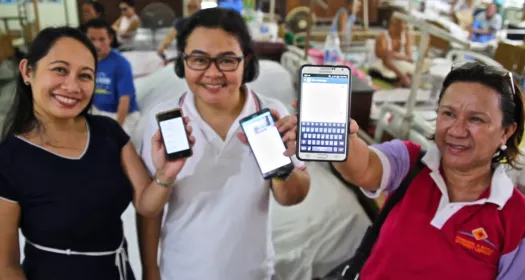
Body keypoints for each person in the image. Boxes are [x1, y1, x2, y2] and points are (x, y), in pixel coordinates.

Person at [0, 26, 194, 280]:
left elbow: (147, 206)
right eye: (60, 69)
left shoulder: (108, 132)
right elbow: (6, 265)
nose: (72, 86)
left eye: (85, 75)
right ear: (27, 71)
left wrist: (166, 173)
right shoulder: (11, 158)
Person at [138, 8, 310, 280]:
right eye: (199, 60)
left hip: (252, 272)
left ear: (246, 60)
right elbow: (148, 208)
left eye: (227, 60)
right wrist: (150, 269)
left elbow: (293, 196)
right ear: (183, 61)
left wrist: (278, 163)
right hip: (181, 270)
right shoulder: (164, 119)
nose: (213, 73)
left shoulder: (272, 114)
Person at [329, 62, 525, 278]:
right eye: (449, 114)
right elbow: (364, 166)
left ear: (506, 131)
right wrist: (338, 137)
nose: (457, 130)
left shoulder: (517, 219)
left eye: (476, 119)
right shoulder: (410, 163)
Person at [84, 19, 140, 135]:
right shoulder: (87, 60)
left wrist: (116, 130)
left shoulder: (121, 64)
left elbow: (124, 100)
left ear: (110, 38)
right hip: (98, 110)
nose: (96, 44)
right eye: (92, 39)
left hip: (122, 115)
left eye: (102, 39)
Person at [374, 17, 415, 87]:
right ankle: (403, 79)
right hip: (383, 66)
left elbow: (409, 57)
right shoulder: (382, 37)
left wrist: (393, 54)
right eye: (402, 24)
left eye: (405, 23)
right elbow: (383, 57)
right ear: (393, 24)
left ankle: (403, 80)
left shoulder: (407, 36)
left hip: (399, 63)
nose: (404, 26)